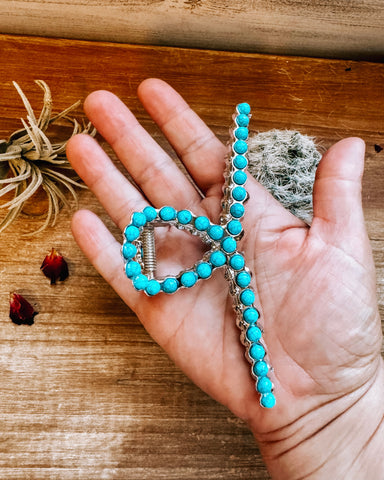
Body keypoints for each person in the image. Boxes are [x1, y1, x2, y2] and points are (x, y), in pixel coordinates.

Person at [66, 78, 384, 479]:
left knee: (248, 321)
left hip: (208, 256)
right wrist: (332, 423)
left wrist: (336, 414)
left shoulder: (223, 244)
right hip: (205, 255)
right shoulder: (221, 242)